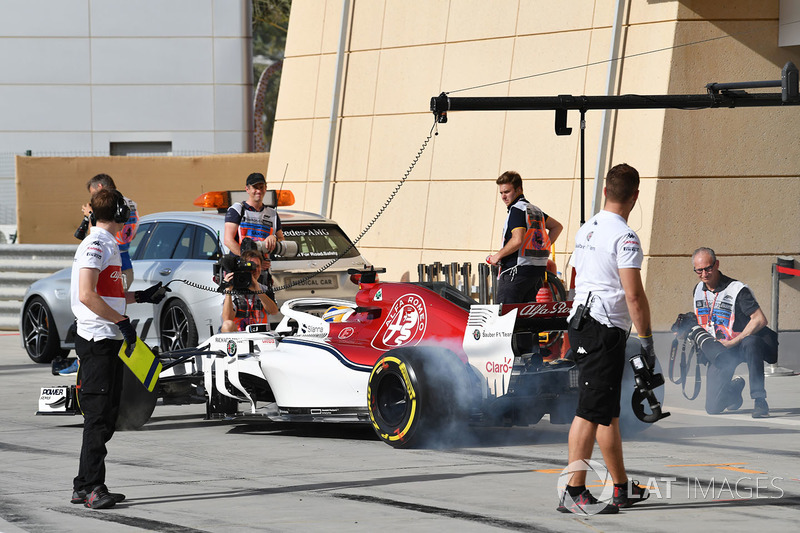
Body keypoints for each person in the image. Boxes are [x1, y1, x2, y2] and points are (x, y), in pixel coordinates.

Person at [559, 163, 651, 514]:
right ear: (635, 196)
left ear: (605, 192)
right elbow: (634, 295)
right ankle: (573, 489)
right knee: (588, 411)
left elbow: (576, 275)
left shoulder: (587, 229)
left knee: (606, 413)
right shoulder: (626, 237)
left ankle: (621, 487)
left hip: (582, 320)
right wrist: (647, 340)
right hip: (603, 329)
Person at [70, 188, 167, 509]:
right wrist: (122, 322)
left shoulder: (107, 244)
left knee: (107, 414)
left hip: (108, 337)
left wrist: (140, 296)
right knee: (98, 417)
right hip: (98, 339)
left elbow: (107, 292)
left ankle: (83, 485)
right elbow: (86, 294)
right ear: (119, 214)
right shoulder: (97, 244)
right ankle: (94, 487)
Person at [691, 247, 770, 418]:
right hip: (720, 351)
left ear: (717, 264)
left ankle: (760, 400)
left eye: (708, 268)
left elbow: (760, 319)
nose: (704, 274)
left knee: (753, 342)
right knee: (712, 408)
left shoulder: (737, 289)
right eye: (699, 270)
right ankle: (733, 390)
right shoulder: (698, 290)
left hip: (741, 344)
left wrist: (733, 342)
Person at [488, 171, 562, 304]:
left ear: (519, 190)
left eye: (507, 192)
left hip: (515, 272)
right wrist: (543, 248)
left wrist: (498, 256)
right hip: (536, 271)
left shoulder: (516, 210)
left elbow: (517, 240)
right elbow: (557, 227)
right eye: (501, 193)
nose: (503, 196)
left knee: (505, 317)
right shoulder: (534, 210)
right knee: (525, 318)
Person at [80, 174, 139, 289]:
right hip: (126, 261)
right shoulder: (131, 204)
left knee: (106, 302)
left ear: (100, 187)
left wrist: (91, 215)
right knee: (120, 302)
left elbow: (94, 235)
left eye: (93, 194)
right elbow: (134, 233)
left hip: (108, 261)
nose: (94, 198)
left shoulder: (108, 206)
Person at [223, 172, 284, 257]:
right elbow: (228, 240)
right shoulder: (237, 210)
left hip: (263, 267)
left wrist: (274, 238)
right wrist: (248, 259)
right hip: (241, 266)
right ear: (247, 189)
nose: (258, 191)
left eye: (261, 187)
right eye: (255, 187)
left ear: (265, 188)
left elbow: (282, 239)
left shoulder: (272, 214)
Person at [221, 250, 278, 332]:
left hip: (260, 335)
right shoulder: (233, 289)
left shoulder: (265, 289)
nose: (254, 270)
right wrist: (228, 292)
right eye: (251, 266)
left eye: (257, 266)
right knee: (227, 325)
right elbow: (227, 318)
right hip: (238, 337)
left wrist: (258, 290)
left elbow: (274, 311)